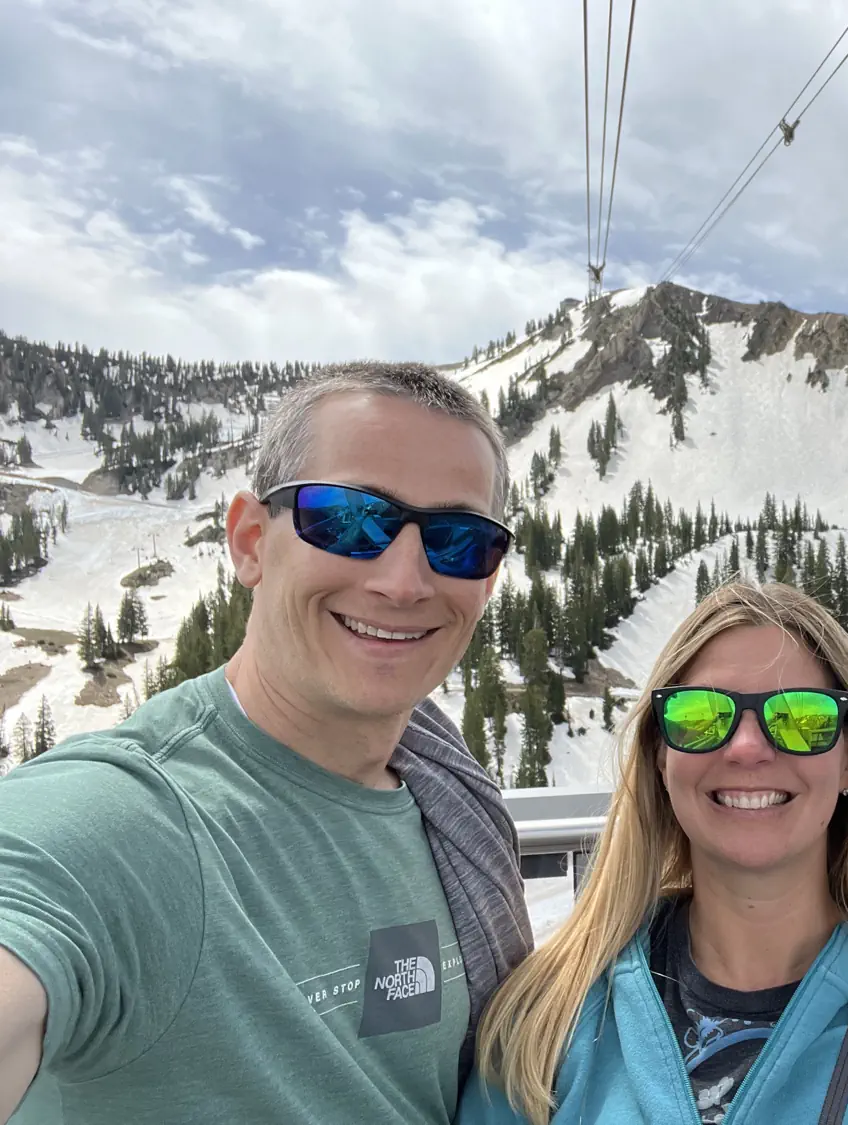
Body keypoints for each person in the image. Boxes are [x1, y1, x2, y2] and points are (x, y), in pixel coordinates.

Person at [0, 363, 534, 1123]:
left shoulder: (449, 807)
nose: (405, 579)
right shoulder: (123, 819)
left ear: (487, 578)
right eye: (351, 520)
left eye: (457, 540)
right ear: (250, 539)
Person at [462, 582, 848, 1125]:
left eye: (800, 717)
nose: (749, 747)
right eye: (703, 716)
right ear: (659, 752)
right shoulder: (546, 1017)